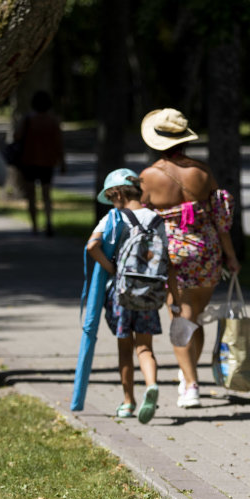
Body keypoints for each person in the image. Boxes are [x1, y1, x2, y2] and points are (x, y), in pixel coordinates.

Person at [138, 108, 241, 408]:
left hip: (172, 256)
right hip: (207, 252)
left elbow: (142, 221)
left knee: (180, 320)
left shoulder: (148, 177)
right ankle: (188, 376)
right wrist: (230, 257)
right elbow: (221, 222)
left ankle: (191, 384)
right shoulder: (203, 172)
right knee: (193, 317)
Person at [86, 168, 183, 424]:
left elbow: (92, 246)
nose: (111, 202)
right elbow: (169, 263)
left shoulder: (114, 218)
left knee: (124, 348)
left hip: (122, 294)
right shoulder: (156, 219)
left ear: (117, 193)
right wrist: (175, 299)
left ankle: (128, 402)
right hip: (150, 294)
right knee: (145, 348)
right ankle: (151, 384)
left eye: (110, 197)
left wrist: (112, 268)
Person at [13, 90, 63, 236]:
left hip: (29, 161)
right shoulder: (53, 120)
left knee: (31, 196)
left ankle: (34, 226)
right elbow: (59, 143)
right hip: (47, 161)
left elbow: (16, 136)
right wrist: (62, 162)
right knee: (46, 195)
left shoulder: (28, 119)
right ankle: (48, 222)